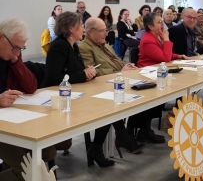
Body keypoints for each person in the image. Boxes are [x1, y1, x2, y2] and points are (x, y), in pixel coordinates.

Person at [41, 12, 143, 168]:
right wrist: (83, 73)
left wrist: (86, 70)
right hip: (59, 97)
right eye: (80, 26)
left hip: (75, 91)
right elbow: (55, 78)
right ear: (70, 29)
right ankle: (109, 142)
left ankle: (97, 148)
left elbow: (75, 70)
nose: (83, 29)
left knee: (108, 104)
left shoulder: (72, 45)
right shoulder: (59, 46)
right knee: (106, 105)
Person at [79, 17, 165, 145]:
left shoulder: (104, 44)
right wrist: (120, 72)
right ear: (90, 32)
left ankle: (141, 130)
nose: (106, 33)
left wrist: (128, 66)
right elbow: (92, 72)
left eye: (106, 30)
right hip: (104, 86)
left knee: (153, 91)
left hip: (121, 79)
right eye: (102, 31)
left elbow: (118, 61)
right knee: (142, 95)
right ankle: (128, 133)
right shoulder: (84, 47)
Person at [0, 19, 63, 181]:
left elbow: (31, 87)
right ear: (1, 37)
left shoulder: (10, 57)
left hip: (12, 118)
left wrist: (16, 61)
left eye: (21, 49)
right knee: (28, 169)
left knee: (47, 151)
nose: (16, 52)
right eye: (15, 47)